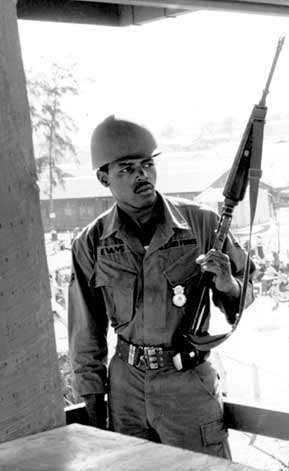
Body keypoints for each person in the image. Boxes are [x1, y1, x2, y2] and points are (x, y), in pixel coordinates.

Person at [68, 116, 254, 459]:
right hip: (125, 389)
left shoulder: (202, 224)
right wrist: (93, 402)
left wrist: (228, 284)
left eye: (147, 165)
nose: (142, 175)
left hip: (186, 383)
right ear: (103, 177)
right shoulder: (91, 242)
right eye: (127, 168)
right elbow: (85, 330)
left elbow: (247, 293)